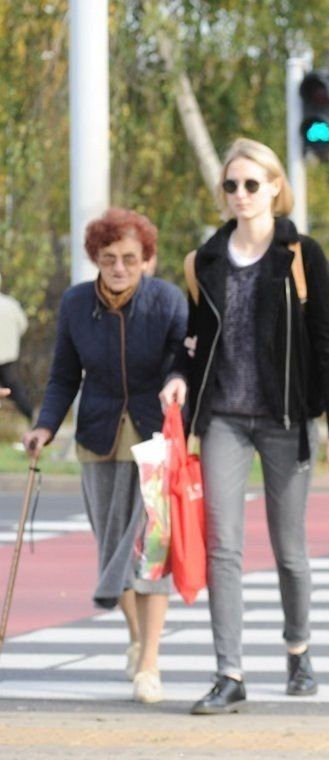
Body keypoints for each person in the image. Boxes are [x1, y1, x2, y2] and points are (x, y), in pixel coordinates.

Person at [160, 138, 329, 715]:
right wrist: (177, 376)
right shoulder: (206, 260)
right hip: (222, 417)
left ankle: (298, 650)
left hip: (286, 421)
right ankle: (230, 671)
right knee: (223, 543)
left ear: (274, 186)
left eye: (251, 183)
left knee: (289, 548)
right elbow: (194, 339)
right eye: (231, 185)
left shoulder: (301, 254)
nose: (240, 195)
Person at [23, 208, 187, 704]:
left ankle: (151, 663)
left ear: (147, 261)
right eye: (110, 258)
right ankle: (136, 638)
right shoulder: (76, 304)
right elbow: (62, 376)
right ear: (95, 257)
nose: (119, 268)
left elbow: (182, 359)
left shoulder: (166, 301)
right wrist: (45, 426)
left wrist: (176, 384)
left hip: (156, 438)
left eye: (130, 259)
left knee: (151, 552)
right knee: (114, 548)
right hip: (98, 438)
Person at [0, 272, 34, 422]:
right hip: (8, 355)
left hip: (6, 355)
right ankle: (31, 416)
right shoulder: (11, 304)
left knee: (12, 389)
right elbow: (23, 325)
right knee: (15, 389)